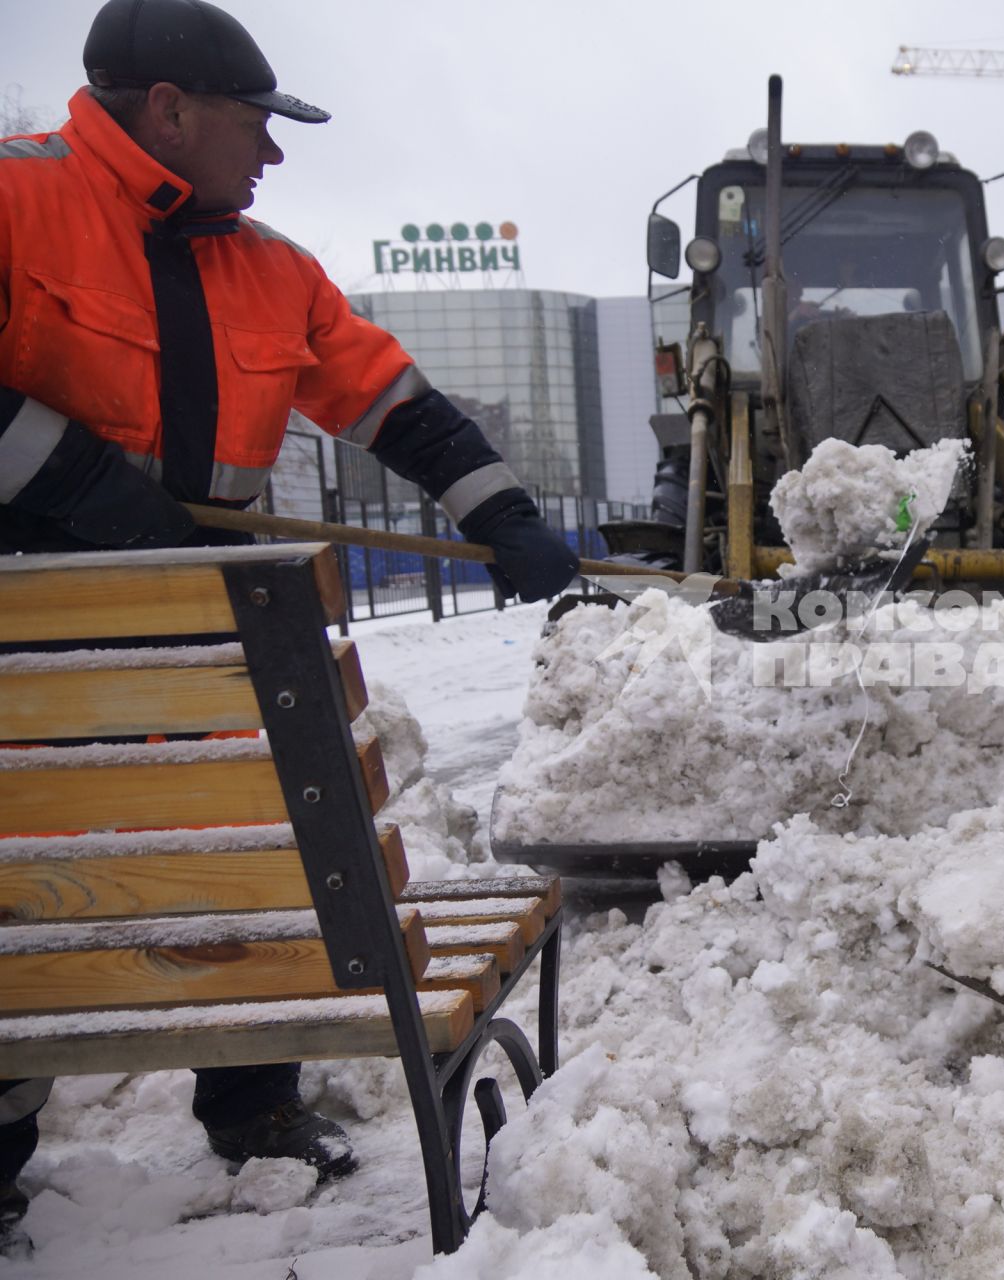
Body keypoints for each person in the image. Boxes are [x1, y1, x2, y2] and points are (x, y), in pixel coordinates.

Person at [0, 0, 579, 1251]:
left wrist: (510, 518)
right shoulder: (15, 198)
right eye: (259, 123)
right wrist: (104, 503)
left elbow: (401, 410)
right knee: (28, 884)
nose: (273, 153)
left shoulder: (272, 269)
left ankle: (252, 1101)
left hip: (215, 633)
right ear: (168, 108)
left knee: (240, 839)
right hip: (27, 641)